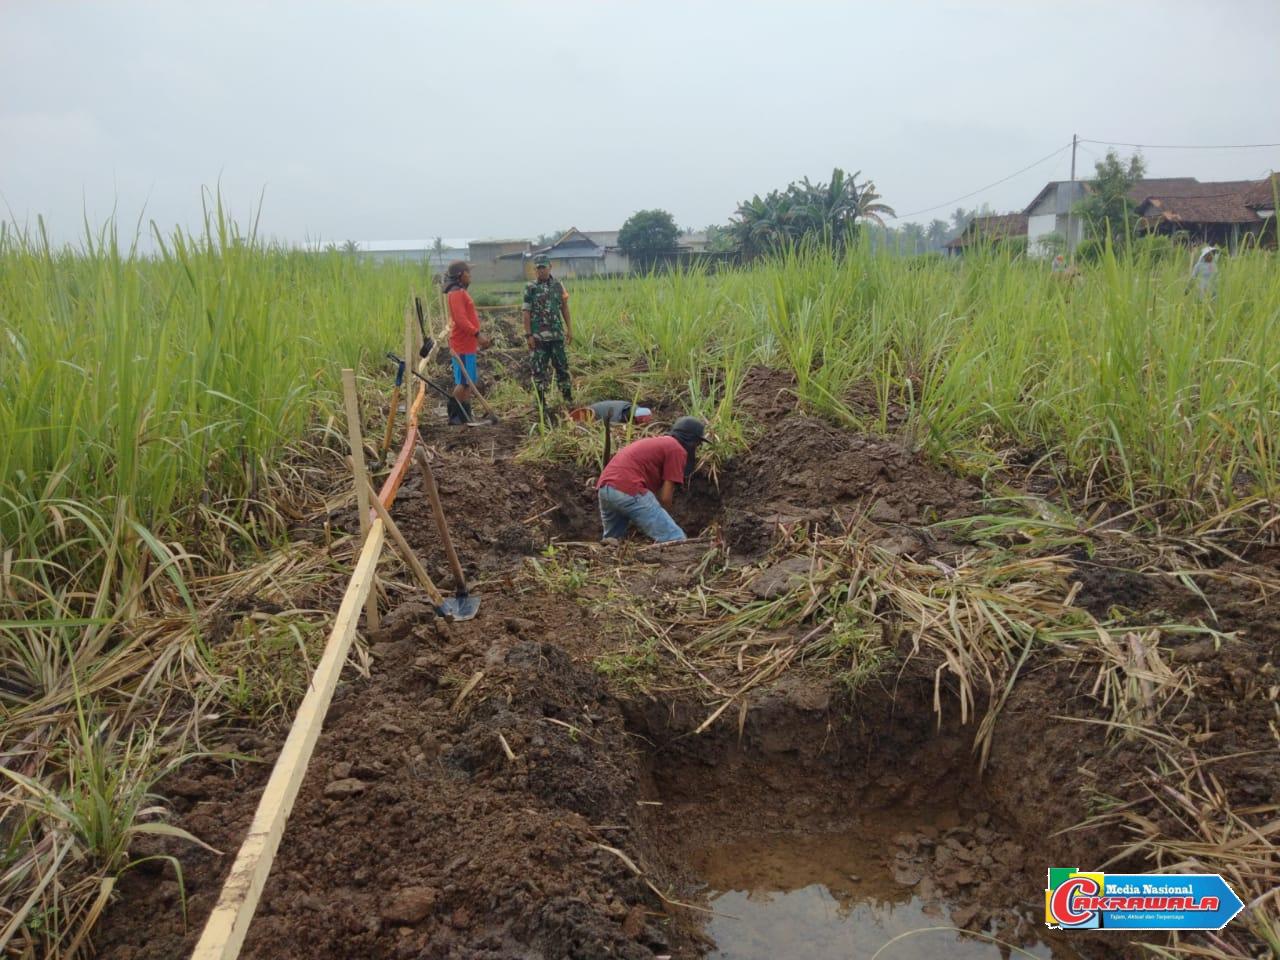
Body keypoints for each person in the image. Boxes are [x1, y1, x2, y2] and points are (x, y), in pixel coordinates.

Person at [596, 417, 708, 543]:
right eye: (698, 444)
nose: (697, 447)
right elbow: (665, 498)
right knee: (676, 539)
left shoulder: (659, 443)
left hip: (605, 489)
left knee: (612, 540)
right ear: (691, 440)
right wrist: (665, 520)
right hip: (629, 489)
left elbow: (657, 494)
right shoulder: (676, 450)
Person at [523, 254, 573, 412]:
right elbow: (526, 312)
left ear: (550, 267)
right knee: (538, 371)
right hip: (538, 338)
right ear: (534, 269)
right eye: (538, 268)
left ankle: (568, 400)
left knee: (562, 368)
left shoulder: (558, 286)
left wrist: (569, 329)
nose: (541, 270)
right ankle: (541, 404)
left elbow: (564, 308)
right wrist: (529, 335)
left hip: (557, 336)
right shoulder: (530, 287)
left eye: (543, 267)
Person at [443, 260, 491, 424]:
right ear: (460, 275)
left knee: (468, 382)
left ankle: (465, 416)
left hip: (468, 345)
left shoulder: (460, 292)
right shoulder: (456, 293)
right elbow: (461, 320)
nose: (470, 276)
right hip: (462, 345)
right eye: (468, 273)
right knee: (463, 382)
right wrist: (478, 334)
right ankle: (454, 416)